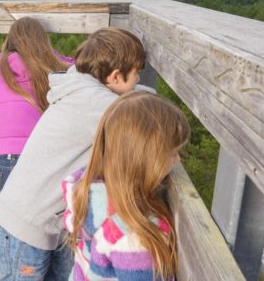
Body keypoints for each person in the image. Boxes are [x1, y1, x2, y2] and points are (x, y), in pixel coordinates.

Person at [0, 27, 149, 280]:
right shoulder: (96, 103)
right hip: (24, 226)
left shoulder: (79, 85)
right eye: (137, 77)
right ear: (116, 77)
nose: (139, 83)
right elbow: (144, 113)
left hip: (37, 220)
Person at [63, 91, 189, 280]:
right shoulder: (134, 240)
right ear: (145, 160)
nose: (178, 160)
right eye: (172, 153)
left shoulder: (89, 192)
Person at [0, 17, 72, 197]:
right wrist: (51, 53)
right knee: (35, 217)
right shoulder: (46, 67)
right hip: (34, 152)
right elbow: (74, 65)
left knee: (6, 216)